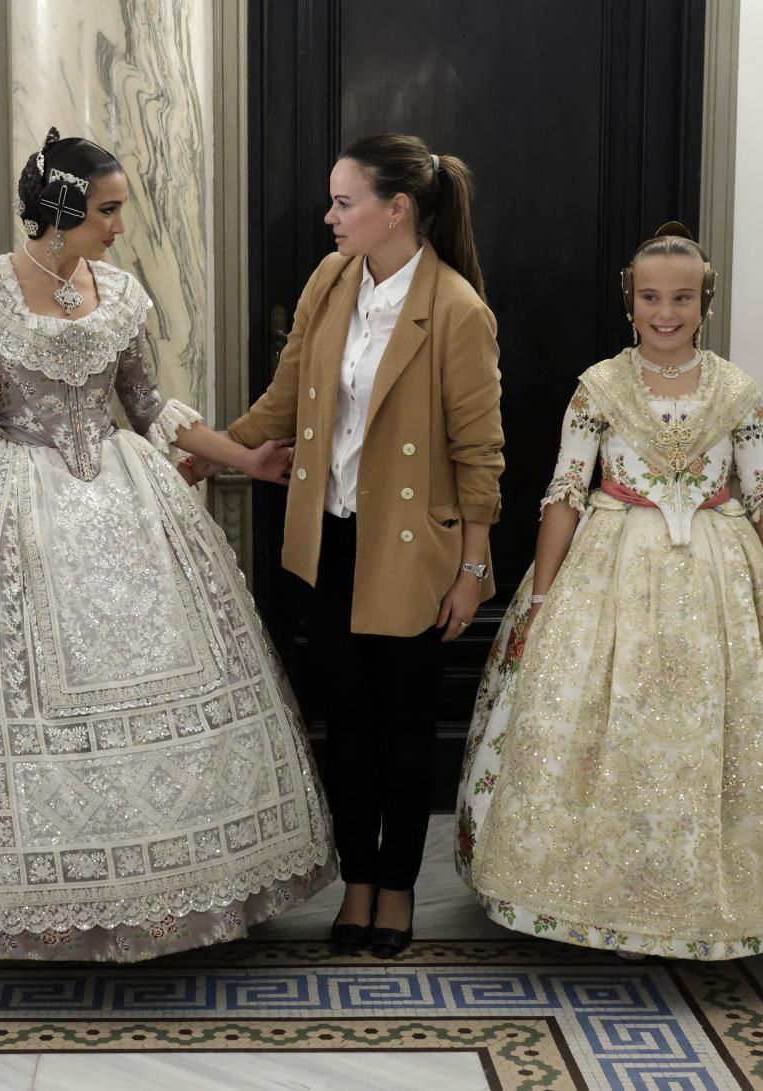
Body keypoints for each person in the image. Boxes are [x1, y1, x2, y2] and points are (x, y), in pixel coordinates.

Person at [0, 128, 333, 961]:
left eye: (119, 209)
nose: (120, 225)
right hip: (12, 510)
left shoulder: (119, 293)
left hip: (125, 500)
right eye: (107, 210)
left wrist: (244, 457)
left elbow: (153, 408)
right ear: (58, 212)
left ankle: (164, 892)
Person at [455, 222, 763, 959]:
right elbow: (565, 494)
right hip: (610, 568)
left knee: (714, 736)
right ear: (629, 301)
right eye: (649, 297)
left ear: (703, 301)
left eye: (680, 297)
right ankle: (594, 897)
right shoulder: (599, 387)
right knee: (603, 724)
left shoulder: (738, 391)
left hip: (719, 577)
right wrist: (543, 601)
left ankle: (714, 901)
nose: (664, 311)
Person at [220, 134, 504, 958]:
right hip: (330, 540)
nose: (330, 215)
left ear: (396, 209)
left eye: (345, 202)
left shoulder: (456, 309)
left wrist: (474, 566)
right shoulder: (330, 279)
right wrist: (209, 453)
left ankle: (399, 887)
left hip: (414, 549)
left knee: (405, 726)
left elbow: (481, 451)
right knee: (345, 724)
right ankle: (357, 882)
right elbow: (283, 398)